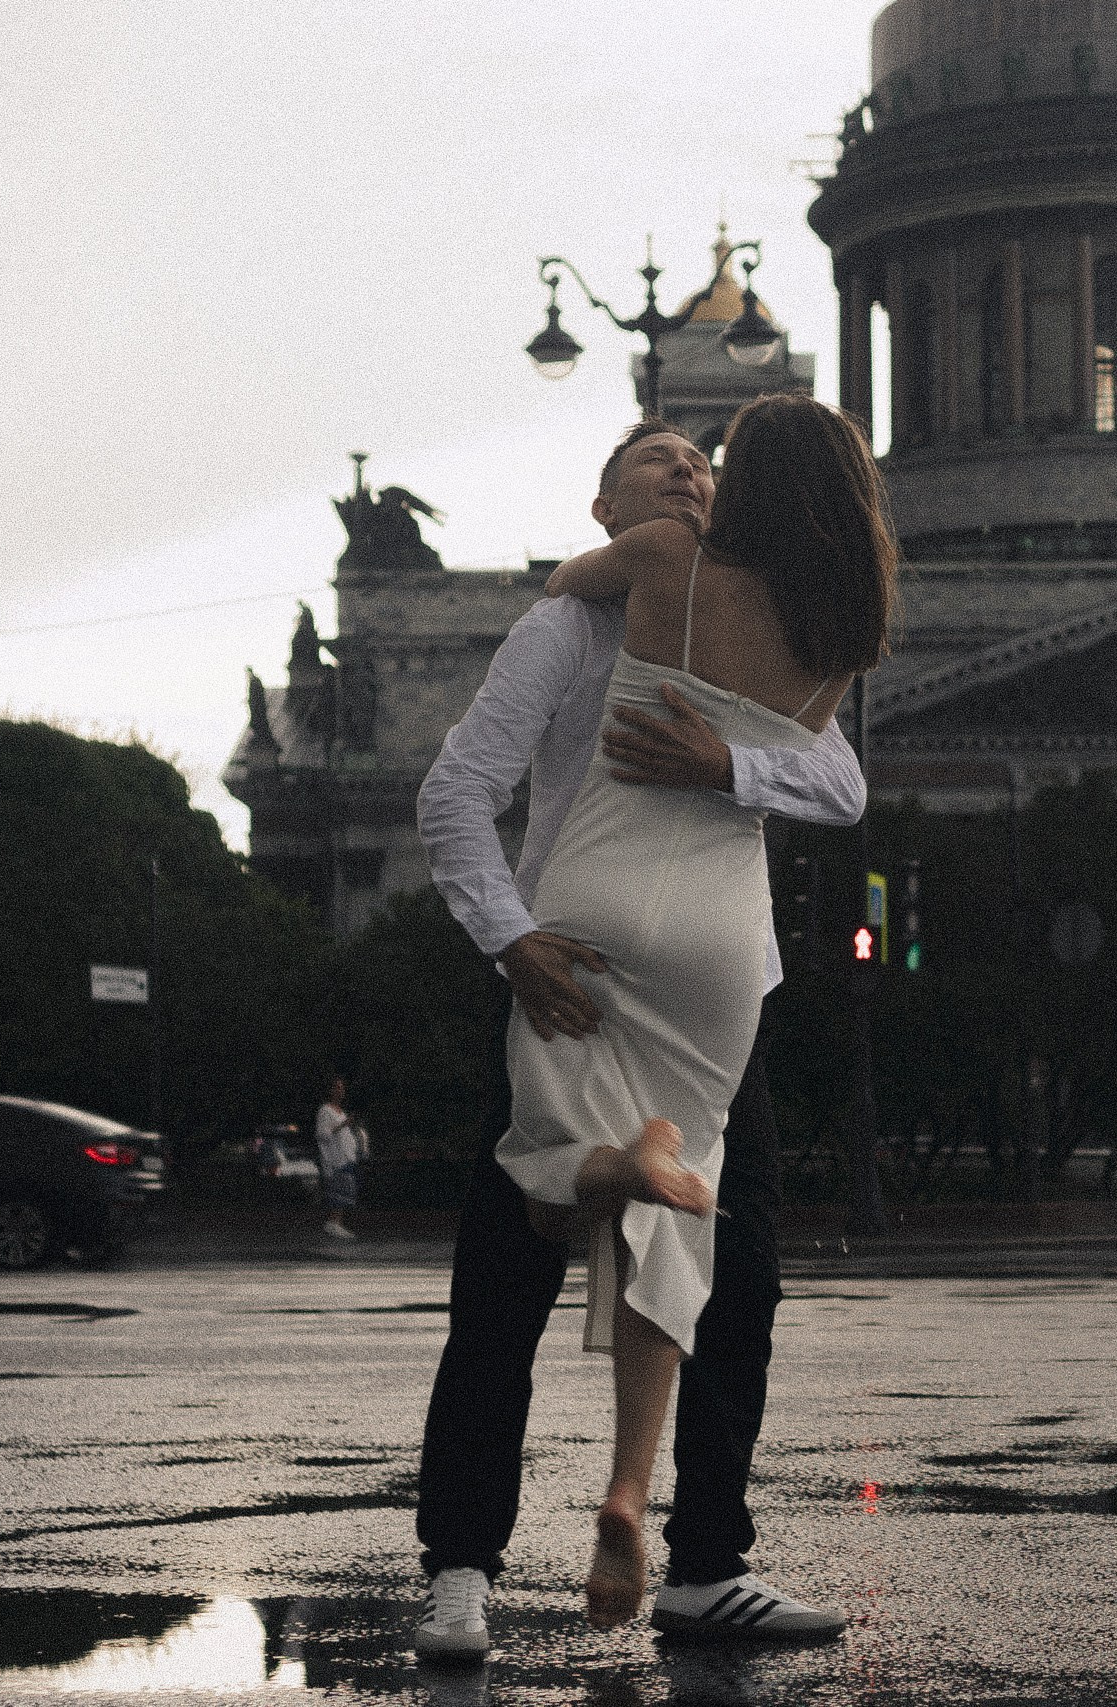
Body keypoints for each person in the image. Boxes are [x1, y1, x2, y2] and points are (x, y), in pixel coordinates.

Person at [408, 406, 875, 1661]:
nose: (686, 472)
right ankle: (461, 1569)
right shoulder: (566, 629)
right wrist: (509, 939)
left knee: (738, 1283)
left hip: (720, 1000)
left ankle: (706, 1568)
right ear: (607, 509)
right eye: (655, 461)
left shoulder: (759, 619)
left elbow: (838, 782)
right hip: (565, 975)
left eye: (703, 465)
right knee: (500, 1293)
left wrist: (729, 766)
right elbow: (458, 791)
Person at [315, 1078, 369, 1240]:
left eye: (342, 1087)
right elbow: (322, 1134)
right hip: (335, 1158)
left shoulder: (341, 1111)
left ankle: (337, 1223)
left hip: (347, 1156)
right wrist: (343, 1124)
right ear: (330, 1090)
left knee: (346, 1190)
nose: (341, 1090)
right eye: (337, 1087)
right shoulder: (325, 1110)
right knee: (338, 1190)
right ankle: (333, 1223)